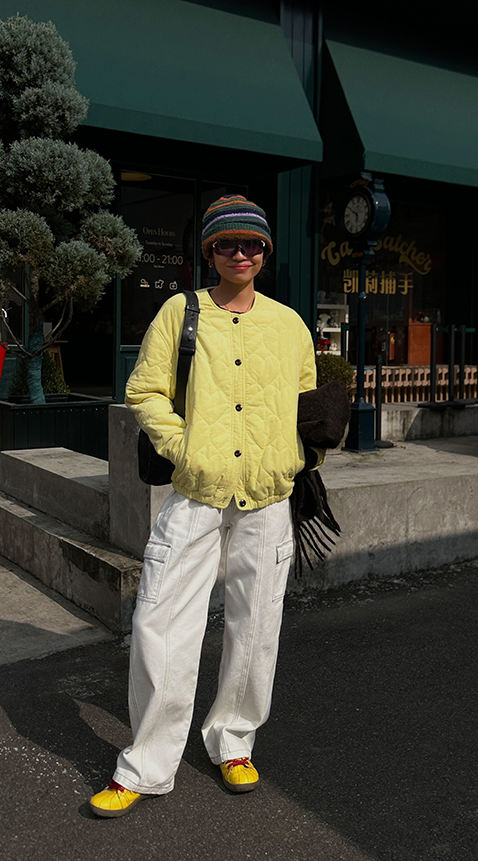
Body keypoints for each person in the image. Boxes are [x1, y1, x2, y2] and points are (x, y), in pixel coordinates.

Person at [89, 194, 324, 817]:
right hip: (196, 491)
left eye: (251, 244)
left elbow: (308, 404)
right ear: (209, 252)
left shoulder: (290, 325)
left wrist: (304, 454)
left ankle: (234, 740)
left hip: (268, 496)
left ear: (265, 251)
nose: (239, 254)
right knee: (161, 623)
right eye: (226, 244)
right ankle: (146, 765)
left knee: (257, 627)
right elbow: (145, 390)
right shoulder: (180, 311)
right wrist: (182, 447)